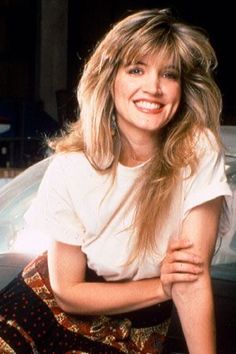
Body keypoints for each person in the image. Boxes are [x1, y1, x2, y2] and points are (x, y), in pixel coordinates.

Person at [0, 8, 232, 354]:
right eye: (136, 69)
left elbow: (190, 278)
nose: (152, 88)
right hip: (47, 306)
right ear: (110, 80)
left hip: (133, 330)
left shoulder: (197, 151)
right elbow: (68, 291)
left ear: (181, 88)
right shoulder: (71, 167)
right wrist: (161, 287)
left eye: (168, 74)